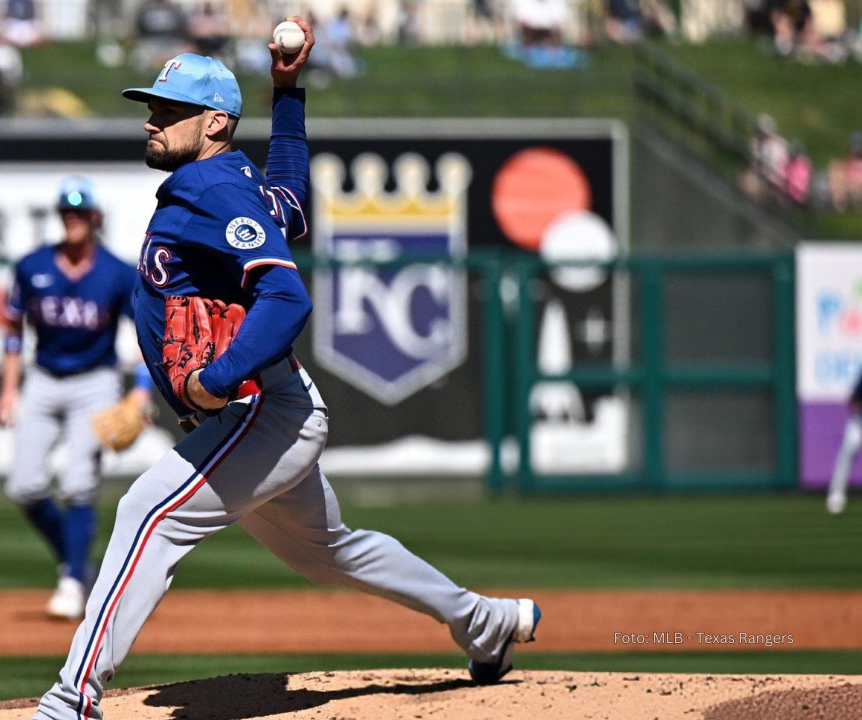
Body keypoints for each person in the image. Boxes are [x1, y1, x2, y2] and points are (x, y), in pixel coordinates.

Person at [30, 18, 541, 720]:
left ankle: (69, 702)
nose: (150, 120)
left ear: (213, 123)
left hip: (259, 409)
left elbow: (286, 293)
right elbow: (292, 198)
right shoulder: (231, 180)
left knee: (146, 513)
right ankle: (486, 623)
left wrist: (216, 378)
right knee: (330, 553)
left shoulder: (213, 190)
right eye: (150, 107)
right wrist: (288, 90)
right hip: (267, 410)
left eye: (167, 111)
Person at [0, 177, 154, 621]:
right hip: (43, 379)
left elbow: (144, 336)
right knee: (24, 485)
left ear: (95, 218)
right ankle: (80, 564)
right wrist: (8, 388)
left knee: (79, 483)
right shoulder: (32, 266)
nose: (73, 219)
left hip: (96, 383)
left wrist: (141, 391)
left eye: (81, 213)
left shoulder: (118, 273)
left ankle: (72, 581)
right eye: (67, 212)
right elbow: (11, 331)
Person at [827, 368, 862, 515]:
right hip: (861, 423)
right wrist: (861, 421)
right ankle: (837, 494)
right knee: (848, 448)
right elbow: (854, 399)